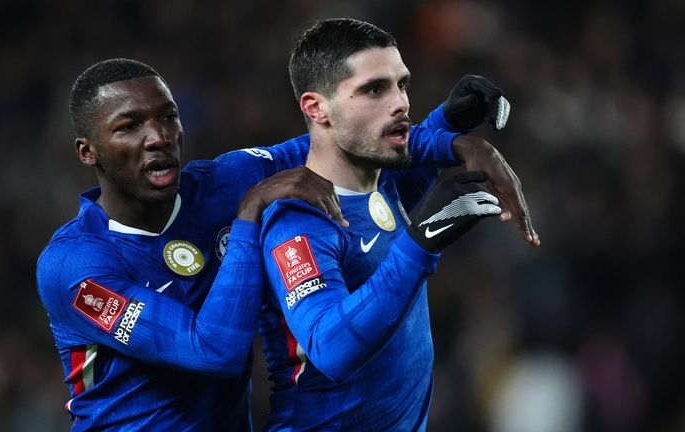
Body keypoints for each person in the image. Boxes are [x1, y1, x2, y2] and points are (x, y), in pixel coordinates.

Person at [36, 52, 533, 429]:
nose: (157, 137)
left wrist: (450, 128)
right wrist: (251, 213)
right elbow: (212, 352)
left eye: (167, 116)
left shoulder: (221, 182)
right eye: (129, 126)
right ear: (88, 151)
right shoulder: (75, 268)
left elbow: (344, 144)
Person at [257, 18, 537, 431]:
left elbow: (397, 187)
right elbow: (330, 349)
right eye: (374, 89)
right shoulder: (297, 221)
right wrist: (421, 242)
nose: (400, 102)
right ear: (317, 108)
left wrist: (450, 122)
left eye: (401, 84)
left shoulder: (377, 183)